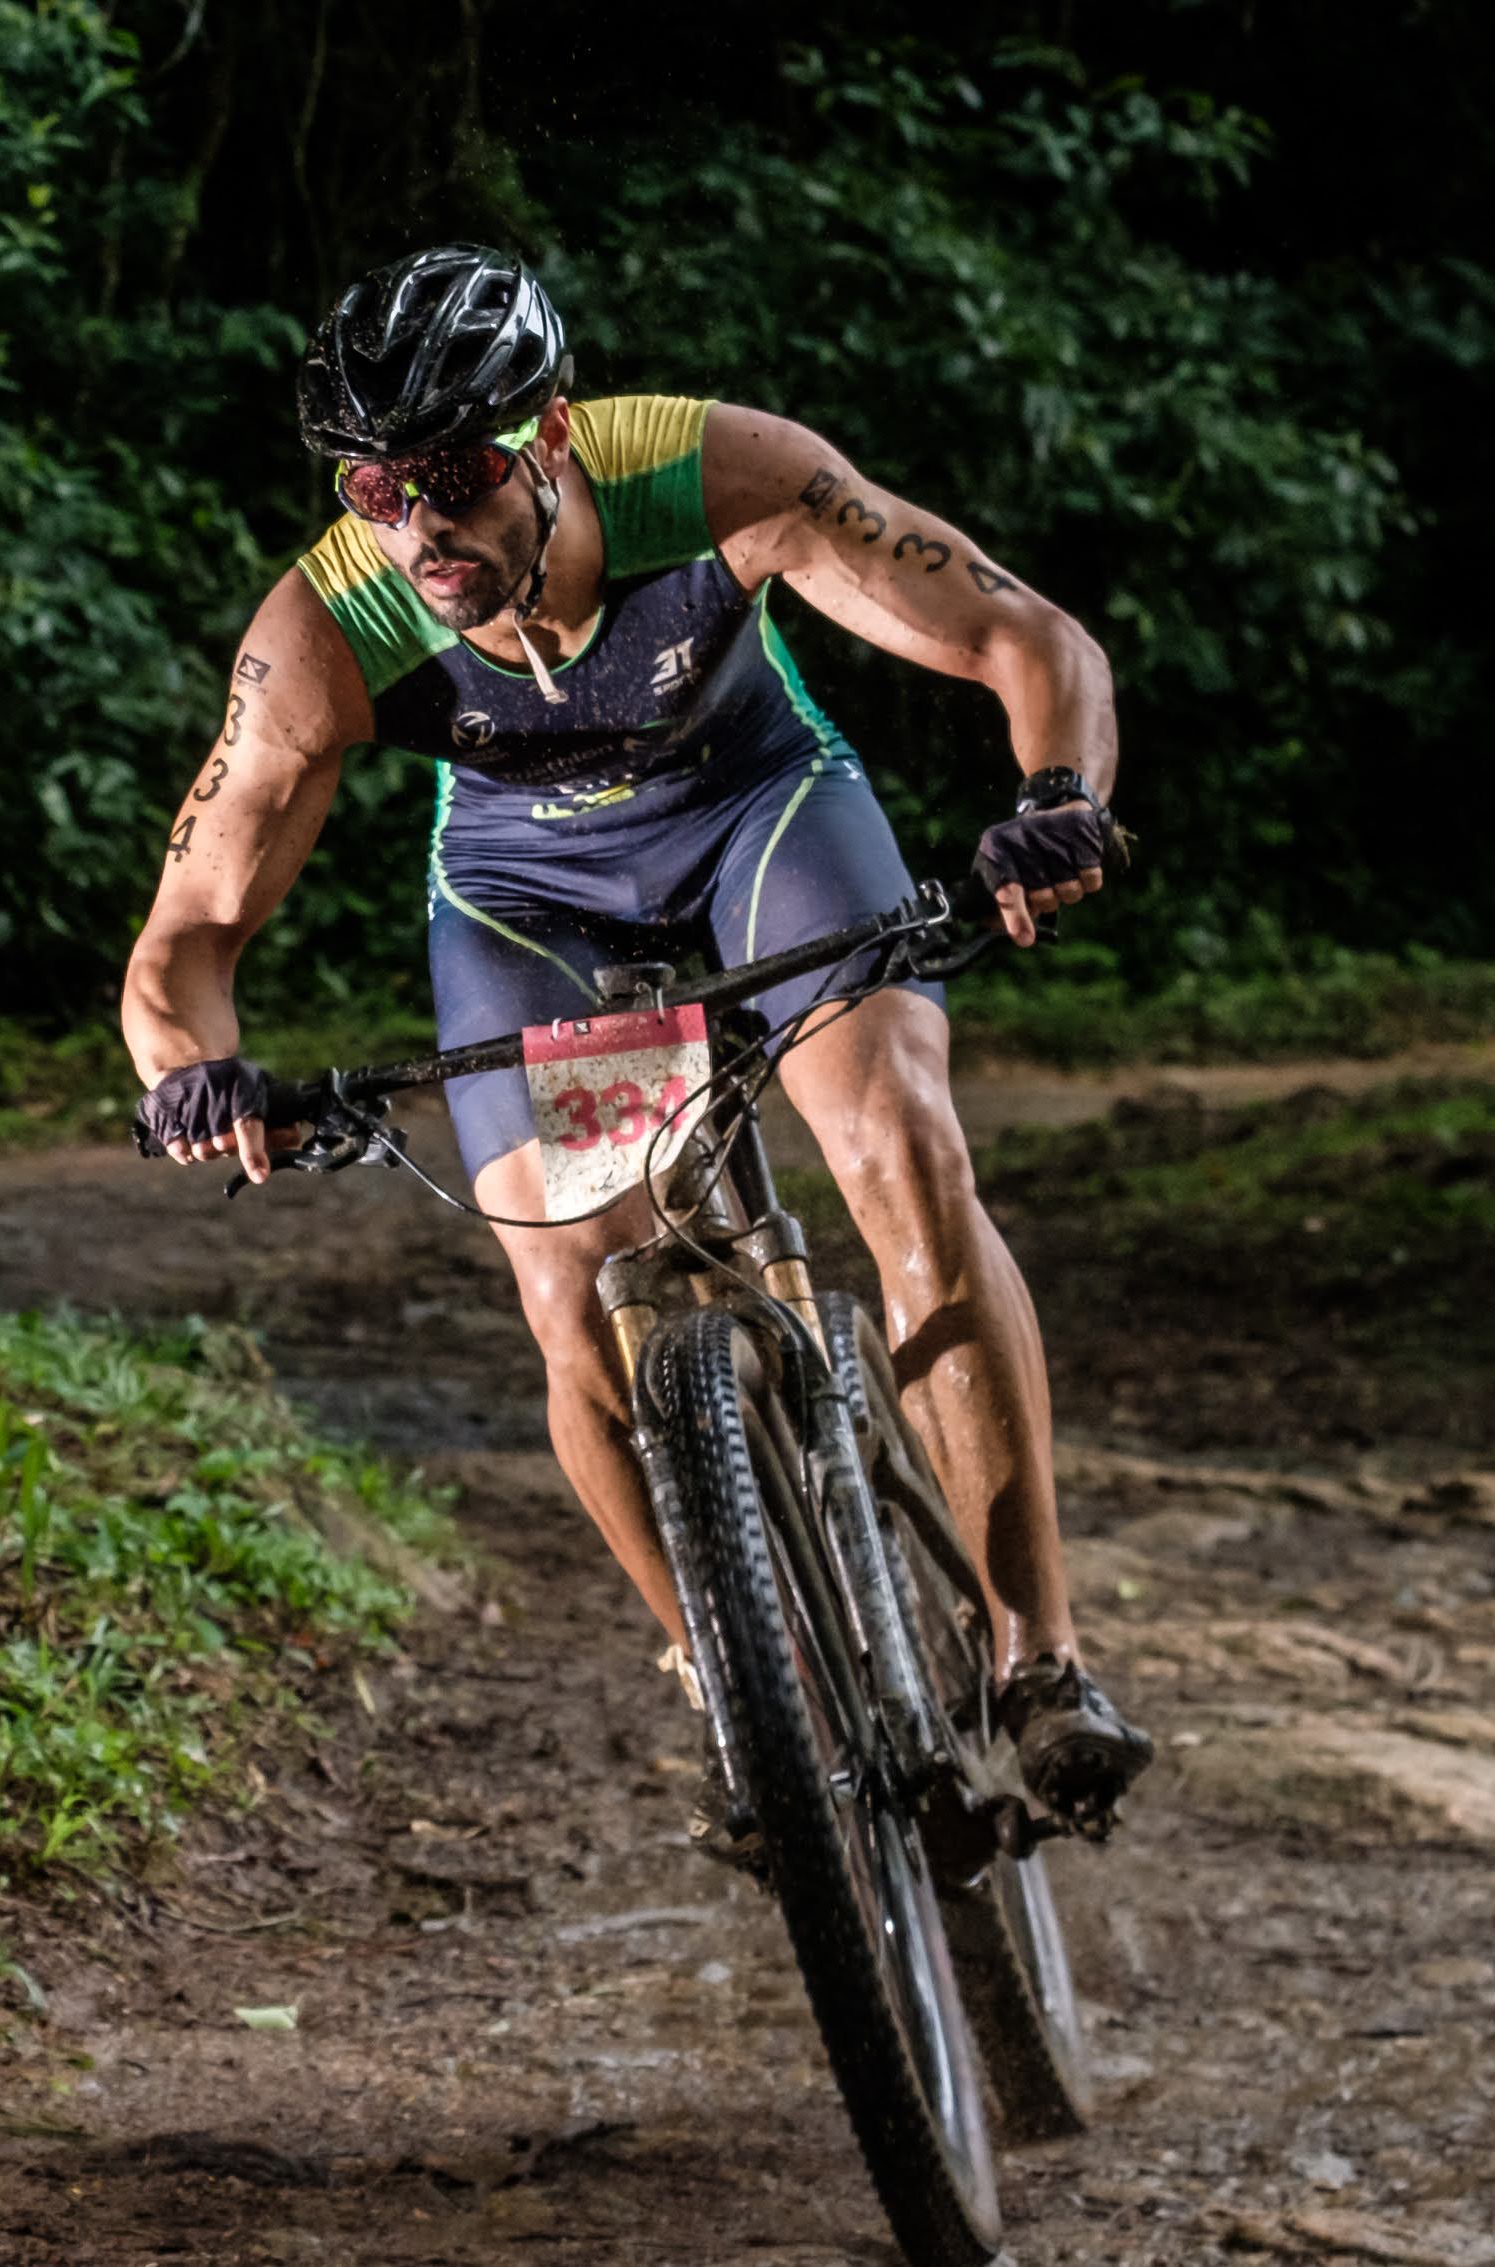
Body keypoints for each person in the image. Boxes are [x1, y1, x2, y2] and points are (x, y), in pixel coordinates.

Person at [121, 244, 1152, 1836]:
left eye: (449, 478)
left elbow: (1030, 640)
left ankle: (1039, 1658)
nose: (415, 528)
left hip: (762, 817)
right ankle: (743, 1698)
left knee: (901, 1151)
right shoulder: (329, 627)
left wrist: (1057, 802)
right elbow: (187, 936)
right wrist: (192, 1072)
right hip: (537, 911)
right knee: (573, 1288)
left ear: (547, 437)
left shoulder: (713, 471)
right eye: (372, 488)